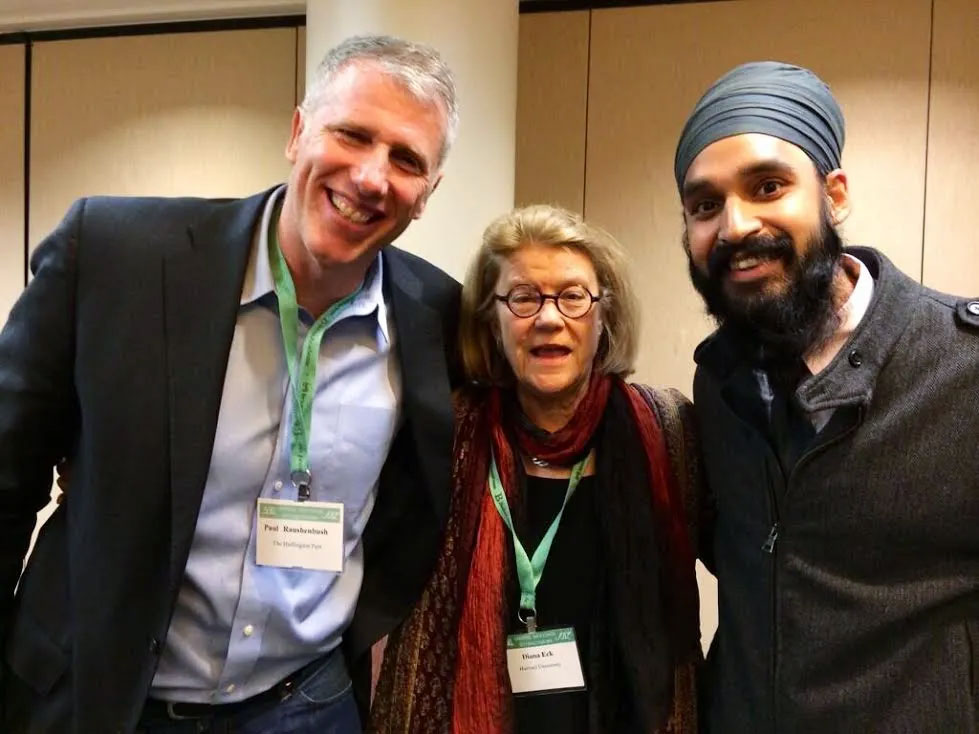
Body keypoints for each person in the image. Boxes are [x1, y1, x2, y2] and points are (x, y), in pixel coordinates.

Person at [0, 35, 461, 733]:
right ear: (298, 131)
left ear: (427, 193)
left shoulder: (434, 317)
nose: (371, 177)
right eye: (352, 135)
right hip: (100, 697)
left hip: (303, 706)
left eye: (405, 160)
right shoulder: (115, 256)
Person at [675, 61, 979, 732]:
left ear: (833, 195)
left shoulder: (964, 366)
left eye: (767, 186)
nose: (734, 226)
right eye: (704, 205)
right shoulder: (717, 381)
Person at [368, 204, 704, 733]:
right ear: (491, 318)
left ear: (603, 316)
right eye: (523, 297)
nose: (549, 318)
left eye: (573, 296)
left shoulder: (669, 431)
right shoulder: (443, 434)